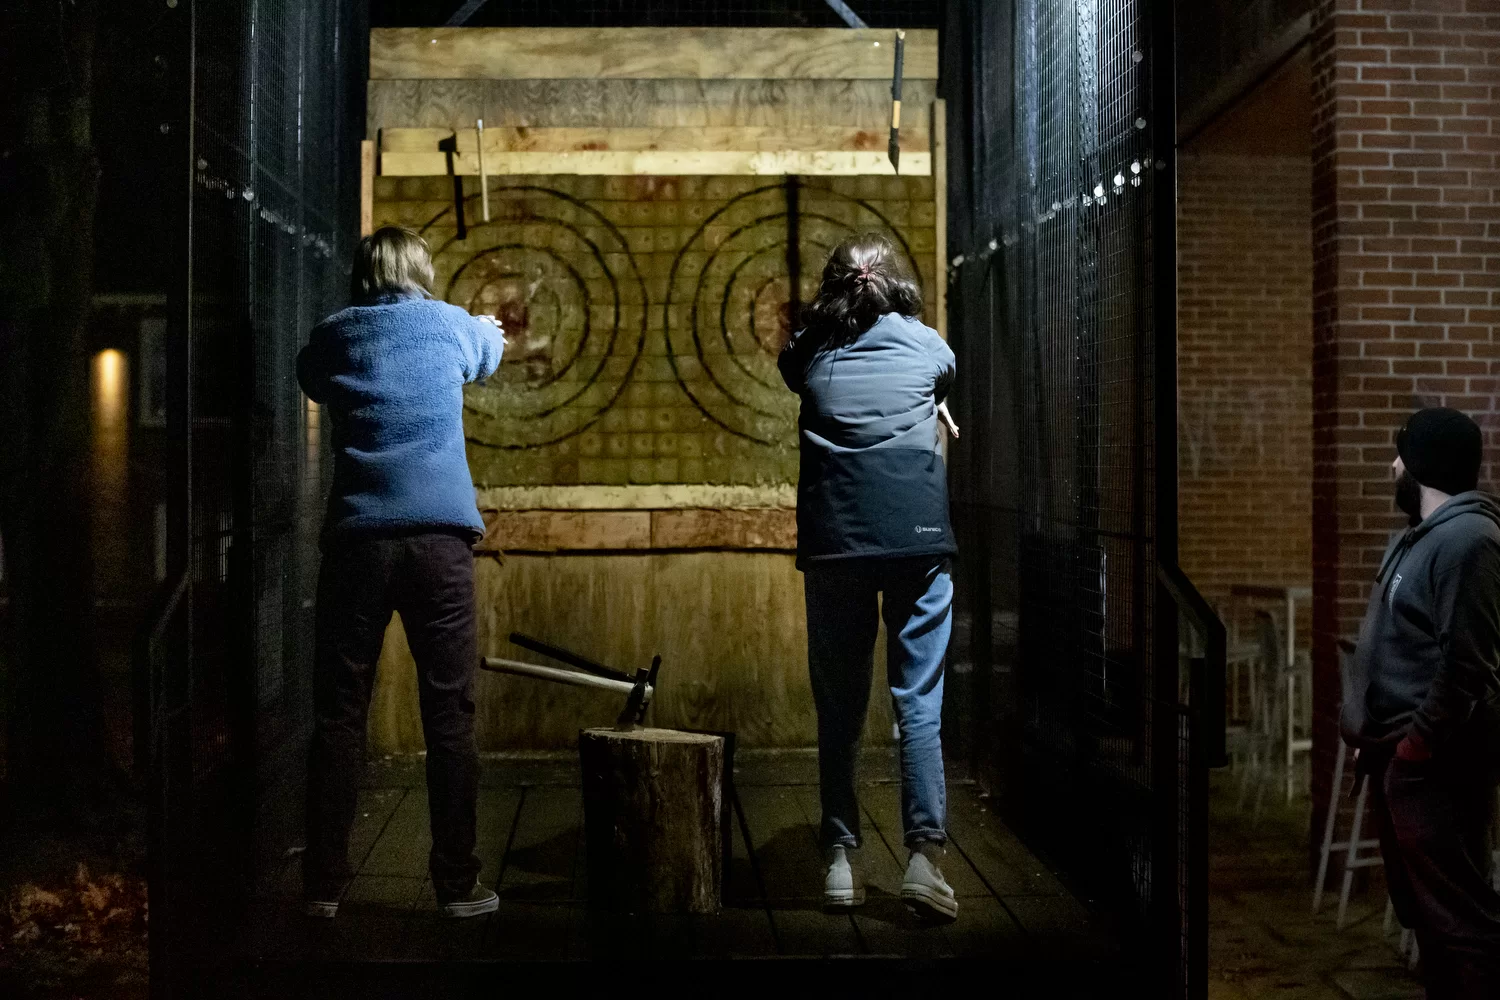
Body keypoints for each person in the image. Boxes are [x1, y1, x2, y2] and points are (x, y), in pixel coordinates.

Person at [296, 226, 505, 919]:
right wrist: (484, 326)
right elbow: (490, 354)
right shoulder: (451, 326)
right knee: (449, 716)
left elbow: (309, 374)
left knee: (340, 715)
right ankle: (456, 883)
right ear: (421, 270)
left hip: (358, 543)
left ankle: (323, 886)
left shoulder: (336, 333)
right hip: (439, 544)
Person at [778, 232, 961, 922]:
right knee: (918, 700)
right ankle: (922, 860)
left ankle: (839, 862)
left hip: (836, 545)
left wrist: (823, 320)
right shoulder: (928, 344)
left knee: (841, 706)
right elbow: (938, 385)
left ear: (835, 286)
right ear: (898, 285)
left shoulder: (812, 353)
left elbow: (792, 365)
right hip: (917, 538)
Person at [1342, 406, 1500, 997]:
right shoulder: (1419, 539)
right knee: (1428, 917)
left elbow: (1467, 665)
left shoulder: (1469, 542)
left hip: (1434, 765)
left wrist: (1413, 748)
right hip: (1400, 758)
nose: (1392, 466)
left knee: (1463, 922)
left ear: (1426, 464)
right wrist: (1374, 739)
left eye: (1402, 454)